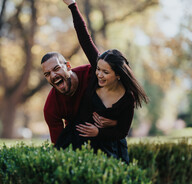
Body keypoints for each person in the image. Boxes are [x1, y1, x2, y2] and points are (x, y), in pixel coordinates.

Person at [53, 0, 149, 162]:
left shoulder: (127, 98)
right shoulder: (95, 76)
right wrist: (72, 5)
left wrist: (99, 132)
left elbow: (122, 131)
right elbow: (85, 38)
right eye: (98, 69)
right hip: (77, 140)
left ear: (118, 75)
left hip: (107, 145)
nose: (99, 75)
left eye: (106, 72)